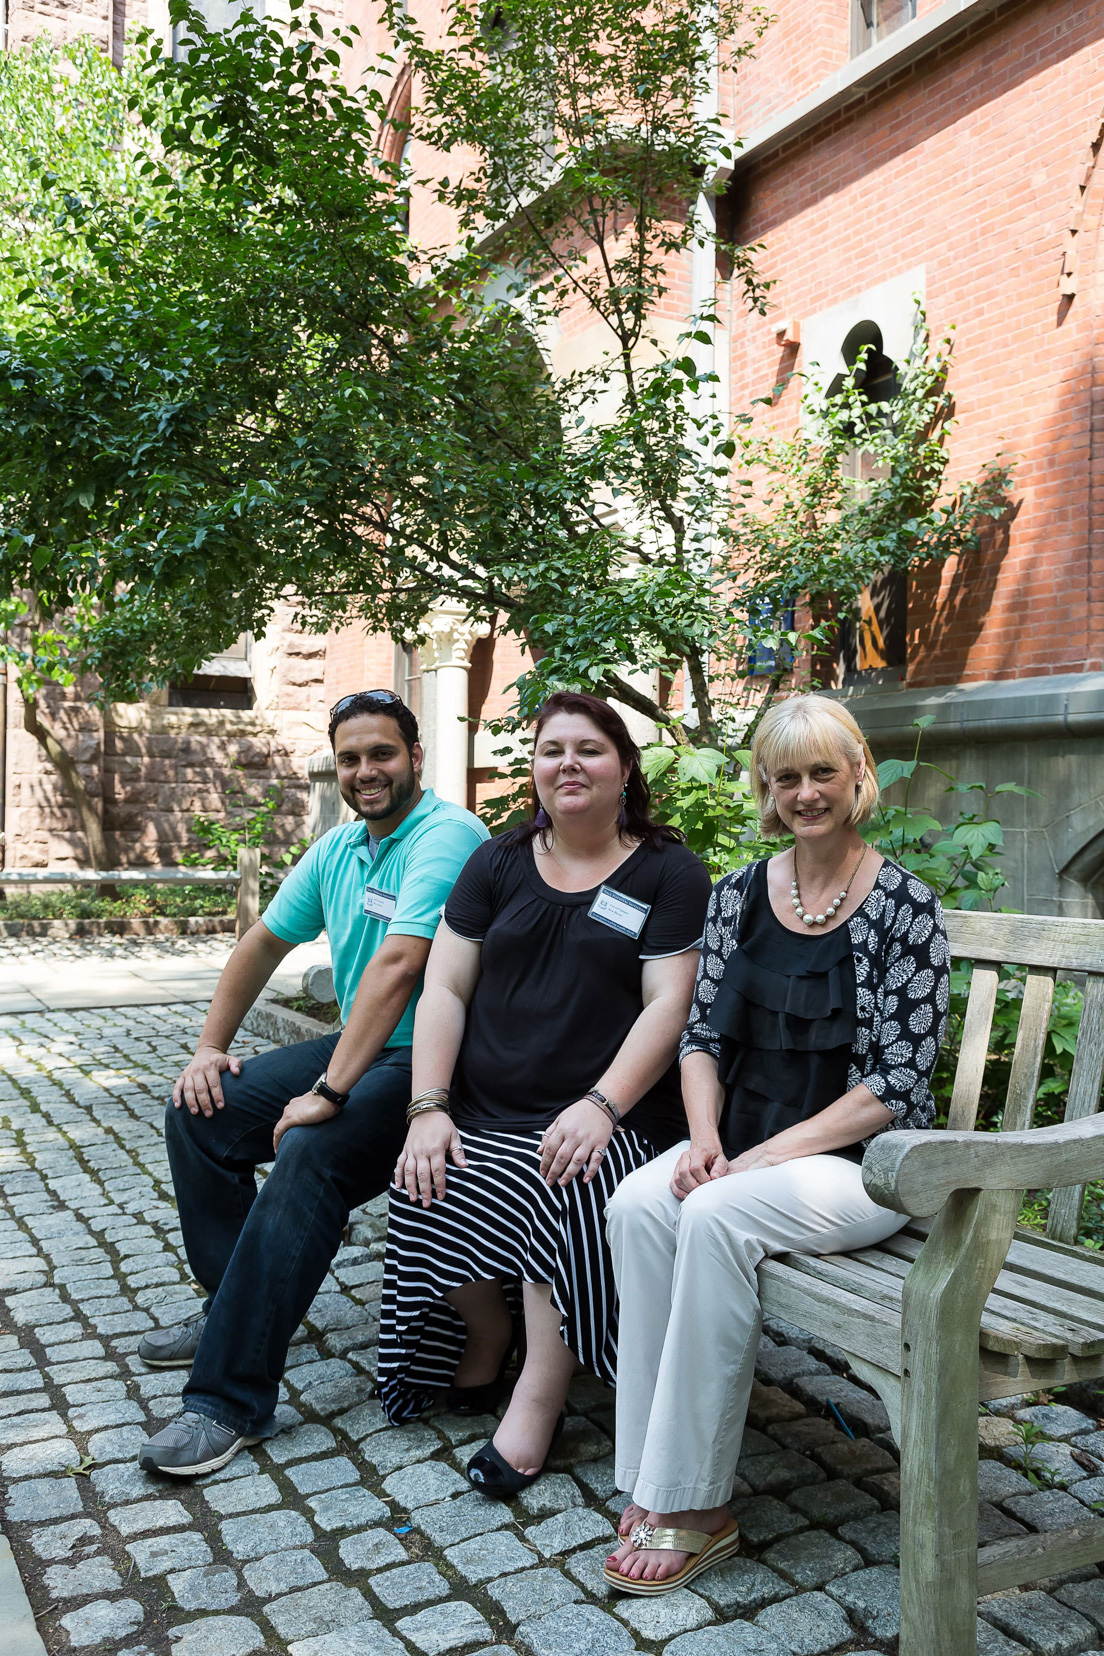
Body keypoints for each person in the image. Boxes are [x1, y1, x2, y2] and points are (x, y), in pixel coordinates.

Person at [603, 692, 950, 1593]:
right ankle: (646, 1471)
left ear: (858, 776)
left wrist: (762, 1158)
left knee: (713, 1214)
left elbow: (896, 1084)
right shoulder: (737, 897)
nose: (805, 793)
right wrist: (707, 1139)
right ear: (766, 786)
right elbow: (701, 1040)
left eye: (823, 772)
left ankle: (696, 1503)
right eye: (786, 776)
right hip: (745, 1157)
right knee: (640, 1201)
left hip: (857, 1175)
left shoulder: (906, 908)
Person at [136, 690, 488, 1476]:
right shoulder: (338, 848)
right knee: (201, 1112)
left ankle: (227, 1402)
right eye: (352, 757)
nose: (366, 771)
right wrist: (207, 1050)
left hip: (437, 1064)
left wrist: (328, 1091)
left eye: (382, 754)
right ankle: (234, 1309)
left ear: (415, 758)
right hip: (361, 1048)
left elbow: (401, 967)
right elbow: (260, 944)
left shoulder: (448, 835)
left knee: (310, 1151)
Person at [377, 691, 713, 1495]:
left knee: (558, 1177)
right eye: (551, 749)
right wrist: (429, 1109)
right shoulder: (494, 863)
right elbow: (445, 991)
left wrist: (600, 1106)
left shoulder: (668, 871)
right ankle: (489, 1338)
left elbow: (671, 1004)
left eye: (589, 749)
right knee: (424, 1176)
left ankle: (539, 1396)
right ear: (532, 771)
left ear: (624, 768)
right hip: (490, 1102)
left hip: (615, 1111)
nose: (569, 763)